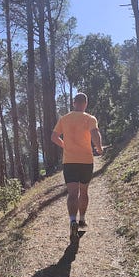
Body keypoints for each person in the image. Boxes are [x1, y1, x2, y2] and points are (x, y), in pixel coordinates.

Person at [51, 92, 103, 239]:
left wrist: (65, 146)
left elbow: (54, 137)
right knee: (84, 192)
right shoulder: (90, 118)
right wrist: (99, 148)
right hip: (86, 161)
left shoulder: (64, 119)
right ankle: (82, 220)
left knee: (72, 194)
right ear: (85, 104)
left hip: (69, 162)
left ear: (74, 103)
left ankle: (73, 221)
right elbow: (95, 133)